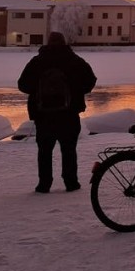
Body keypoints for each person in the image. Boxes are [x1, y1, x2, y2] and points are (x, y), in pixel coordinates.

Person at [18, 31, 97, 193]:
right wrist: (76, 92)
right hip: (69, 114)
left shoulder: (38, 61)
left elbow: (23, 85)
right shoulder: (74, 61)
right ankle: (71, 182)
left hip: (43, 115)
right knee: (69, 149)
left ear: (48, 43)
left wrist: (38, 92)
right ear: (64, 42)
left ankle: (44, 184)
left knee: (44, 151)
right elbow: (91, 80)